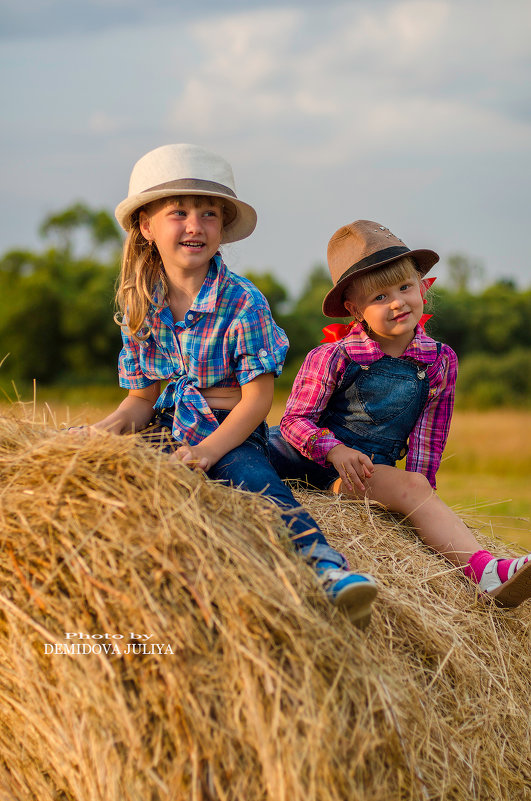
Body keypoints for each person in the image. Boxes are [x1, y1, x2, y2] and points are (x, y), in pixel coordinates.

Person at [86, 144, 377, 626]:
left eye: (208, 214)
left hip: (231, 427)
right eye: (178, 213)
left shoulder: (244, 301)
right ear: (146, 226)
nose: (194, 226)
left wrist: (209, 451)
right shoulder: (141, 303)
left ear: (222, 227)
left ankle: (328, 567)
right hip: (166, 426)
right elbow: (140, 400)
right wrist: (101, 433)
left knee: (256, 484)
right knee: (121, 492)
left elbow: (257, 401)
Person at [269, 220, 531, 608]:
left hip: (366, 472)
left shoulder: (440, 361)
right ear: (353, 309)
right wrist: (334, 450)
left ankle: (486, 571)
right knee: (244, 448)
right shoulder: (333, 356)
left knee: (415, 489)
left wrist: (417, 499)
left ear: (423, 288)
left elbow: (428, 437)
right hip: (300, 455)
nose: (396, 302)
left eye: (404, 287)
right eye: (378, 297)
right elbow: (293, 421)